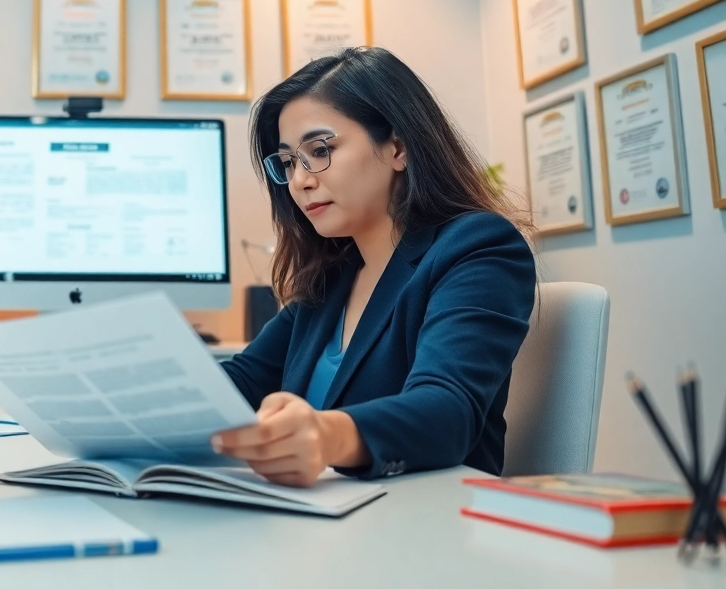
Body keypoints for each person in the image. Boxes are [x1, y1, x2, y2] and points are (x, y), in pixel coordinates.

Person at [215, 47, 536, 487]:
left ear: (398, 147)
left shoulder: (478, 247)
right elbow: (243, 379)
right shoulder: (334, 274)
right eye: (288, 162)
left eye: (320, 150)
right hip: (319, 514)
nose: (300, 180)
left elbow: (448, 410)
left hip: (424, 517)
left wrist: (326, 435)